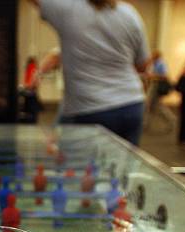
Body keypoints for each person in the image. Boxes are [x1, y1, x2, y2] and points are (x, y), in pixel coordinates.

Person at [29, 0, 150, 145]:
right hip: (131, 104)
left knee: (81, 165)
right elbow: (142, 65)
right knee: (124, 165)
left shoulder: (69, 8)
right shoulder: (130, 13)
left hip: (90, 108)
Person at [145, 50, 176, 133]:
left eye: (152, 55)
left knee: (155, 105)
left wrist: (152, 75)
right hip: (154, 85)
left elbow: (165, 76)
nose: (150, 56)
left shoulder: (161, 63)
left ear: (156, 56)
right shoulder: (155, 63)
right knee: (150, 106)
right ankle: (146, 124)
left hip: (157, 86)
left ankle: (171, 119)